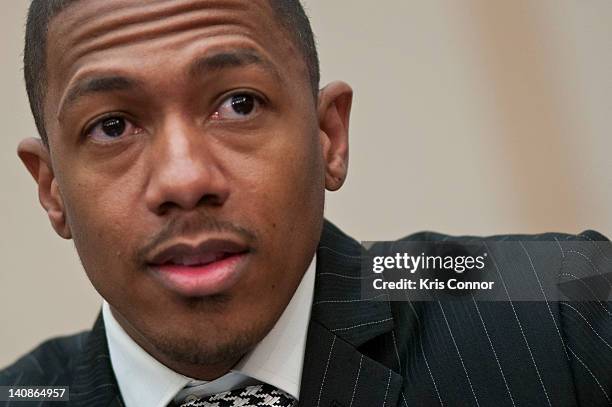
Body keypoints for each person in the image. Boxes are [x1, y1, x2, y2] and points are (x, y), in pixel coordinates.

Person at [1, 1, 610, 406]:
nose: (185, 180)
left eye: (238, 104)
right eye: (112, 126)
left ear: (329, 138)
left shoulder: (563, 306)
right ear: (51, 187)